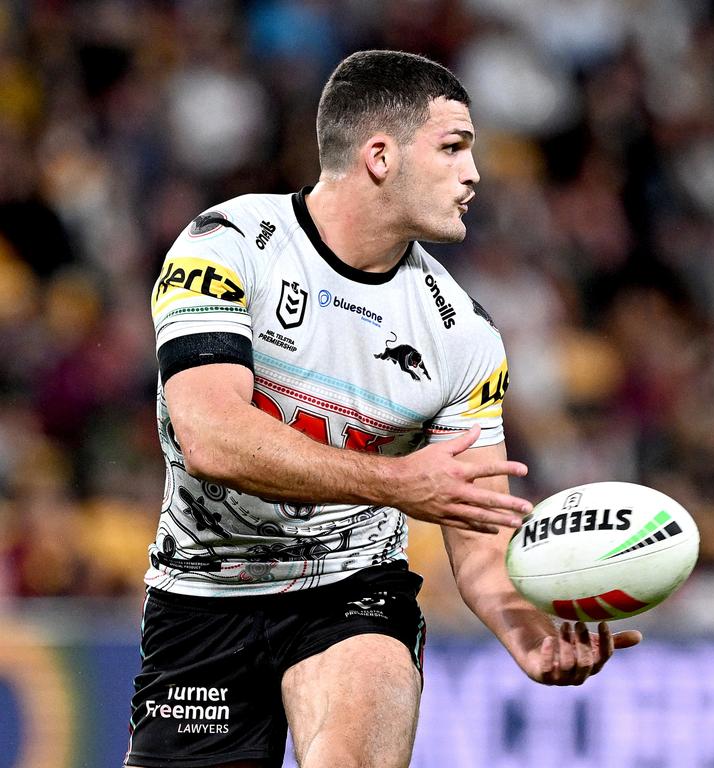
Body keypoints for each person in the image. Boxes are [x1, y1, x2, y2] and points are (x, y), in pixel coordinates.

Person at [125, 50, 642, 768]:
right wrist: (397, 484)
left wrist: (528, 632)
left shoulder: (464, 337)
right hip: (203, 595)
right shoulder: (230, 246)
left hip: (353, 593)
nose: (474, 174)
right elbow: (212, 438)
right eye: (453, 148)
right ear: (378, 156)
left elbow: (479, 533)